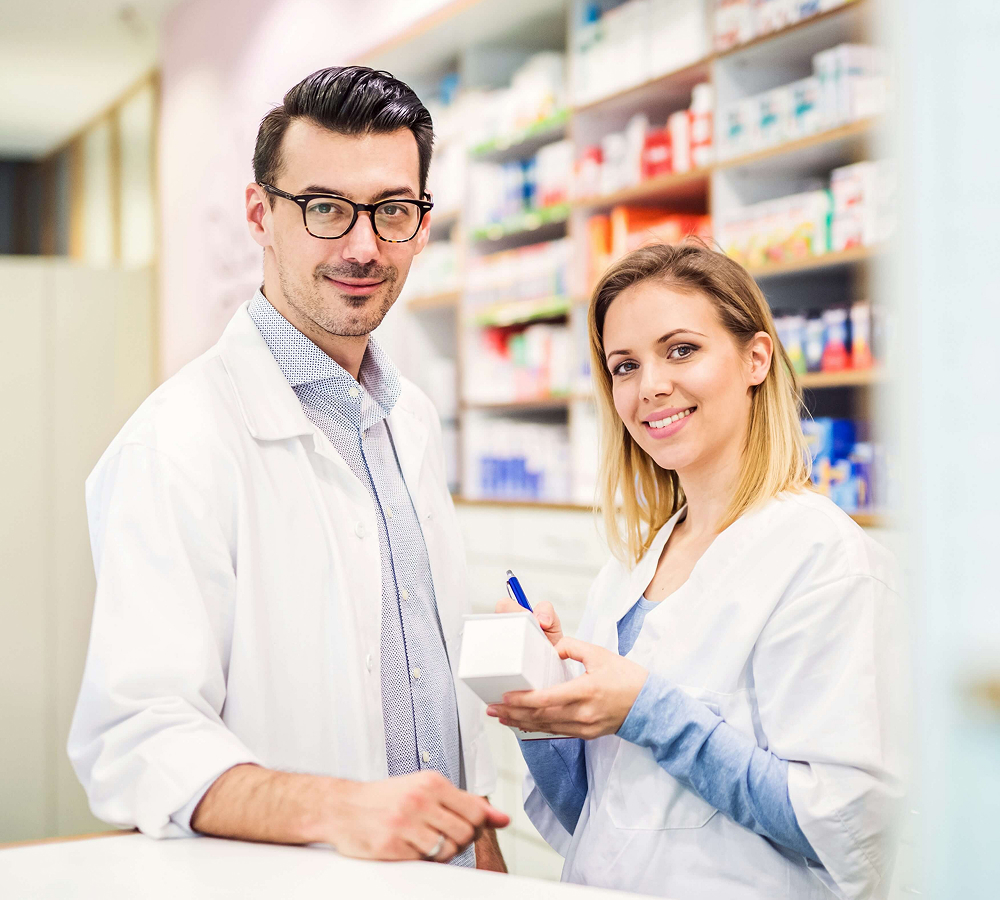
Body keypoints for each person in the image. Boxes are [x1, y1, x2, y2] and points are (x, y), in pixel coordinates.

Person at [68, 66, 508, 870]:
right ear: (259, 215)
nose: (364, 246)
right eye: (325, 209)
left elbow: (416, 679)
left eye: (393, 211)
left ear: (421, 223)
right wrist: (343, 809)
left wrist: (476, 846)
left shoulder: (405, 418)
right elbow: (137, 738)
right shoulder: (178, 443)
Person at [491, 242, 905, 897]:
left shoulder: (822, 557)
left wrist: (649, 712)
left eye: (681, 350)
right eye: (624, 366)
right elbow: (604, 822)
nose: (650, 385)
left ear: (755, 359)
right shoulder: (629, 569)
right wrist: (541, 710)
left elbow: (843, 828)